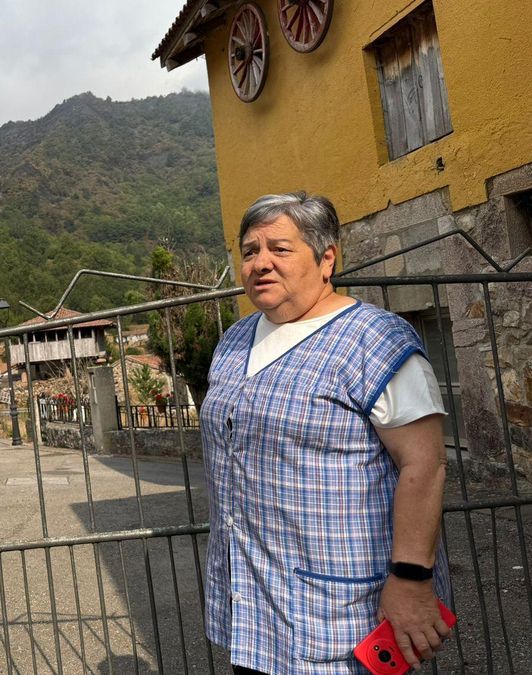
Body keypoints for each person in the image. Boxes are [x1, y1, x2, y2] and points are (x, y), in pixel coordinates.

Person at [200, 193, 452, 675]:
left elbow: (424, 463)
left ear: (326, 258)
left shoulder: (375, 339)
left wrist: (411, 579)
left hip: (343, 613)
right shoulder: (234, 341)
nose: (261, 263)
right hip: (251, 608)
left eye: (280, 248)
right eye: (250, 251)